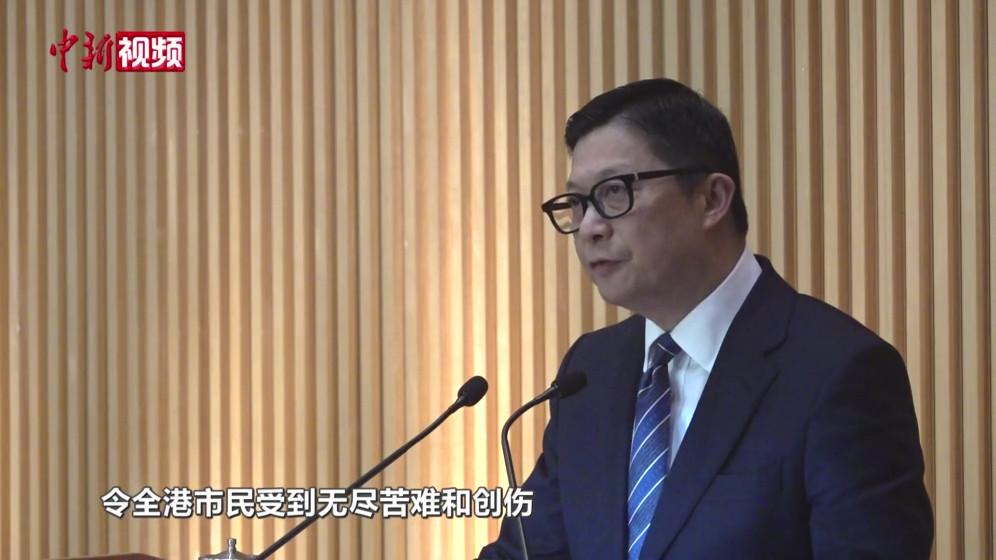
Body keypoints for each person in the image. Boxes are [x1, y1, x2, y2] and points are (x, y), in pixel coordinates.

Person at [477, 78, 933, 559]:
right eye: (577, 203)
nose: (589, 227)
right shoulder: (590, 371)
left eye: (614, 192)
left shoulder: (837, 372)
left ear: (712, 199)